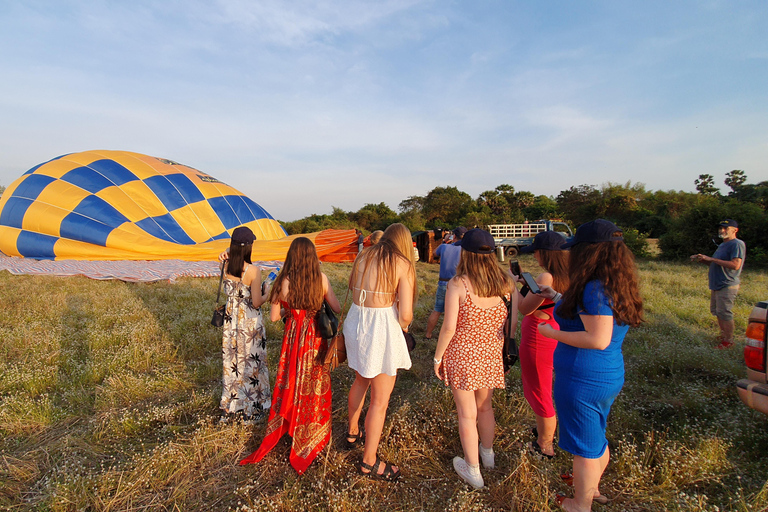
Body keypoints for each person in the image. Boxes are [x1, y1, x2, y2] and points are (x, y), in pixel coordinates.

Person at [537, 219, 643, 511]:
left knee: (583, 448)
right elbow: (592, 319)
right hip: (605, 374)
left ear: (590, 252)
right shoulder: (612, 283)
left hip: (583, 378)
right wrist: (557, 298)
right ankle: (592, 489)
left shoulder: (594, 289)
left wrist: (552, 333)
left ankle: (579, 504)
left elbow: (597, 338)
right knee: (596, 435)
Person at [239, 237, 341, 474]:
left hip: (293, 338)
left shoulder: (284, 282)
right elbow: (336, 308)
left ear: (292, 256)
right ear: (311, 256)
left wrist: (289, 309)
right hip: (315, 338)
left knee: (291, 379)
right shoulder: (322, 279)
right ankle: (309, 426)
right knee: (313, 382)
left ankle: (288, 420)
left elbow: (275, 317)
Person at [433, 229, 517, 489]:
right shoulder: (506, 282)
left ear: (464, 253)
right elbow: (511, 324)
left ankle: (473, 470)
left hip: (462, 354)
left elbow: (448, 328)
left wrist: (437, 358)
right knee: (486, 407)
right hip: (491, 352)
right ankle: (488, 456)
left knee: (466, 414)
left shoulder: (459, 283)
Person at [344, 223, 417, 481]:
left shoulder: (364, 254)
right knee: (380, 400)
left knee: (360, 379)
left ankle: (353, 431)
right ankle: (369, 461)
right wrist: (405, 329)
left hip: (356, 320)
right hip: (380, 327)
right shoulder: (402, 264)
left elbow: (353, 288)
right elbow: (406, 313)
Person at [516, 231, 569, 459]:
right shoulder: (570, 274)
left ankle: (544, 445)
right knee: (544, 387)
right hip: (555, 332)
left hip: (539, 337)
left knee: (538, 390)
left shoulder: (546, 277)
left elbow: (524, 308)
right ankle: (545, 430)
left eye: (536, 251)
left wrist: (510, 287)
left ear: (544, 253)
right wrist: (526, 284)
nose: (535, 256)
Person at [219, 226, 271, 424]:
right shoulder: (253, 271)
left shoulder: (225, 266)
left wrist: (227, 250)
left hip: (231, 322)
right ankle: (253, 405)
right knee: (252, 361)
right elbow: (256, 302)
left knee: (233, 361)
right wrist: (267, 292)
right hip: (249, 323)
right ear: (249, 247)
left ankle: (232, 403)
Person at [690, 219, 746, 349]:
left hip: (727, 284)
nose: (722, 230)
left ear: (735, 230)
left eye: (725, 228)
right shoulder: (722, 245)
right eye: (720, 228)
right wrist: (703, 260)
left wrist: (712, 258)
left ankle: (729, 341)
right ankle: (723, 336)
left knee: (725, 312)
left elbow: (735, 265)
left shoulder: (737, 244)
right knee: (718, 312)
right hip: (717, 284)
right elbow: (715, 263)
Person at [425, 227, 467, 340]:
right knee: (458, 313)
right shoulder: (466, 250)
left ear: (454, 236)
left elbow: (434, 253)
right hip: (459, 284)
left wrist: (445, 241)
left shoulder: (444, 247)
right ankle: (454, 336)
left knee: (437, 310)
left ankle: (428, 334)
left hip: (443, 283)